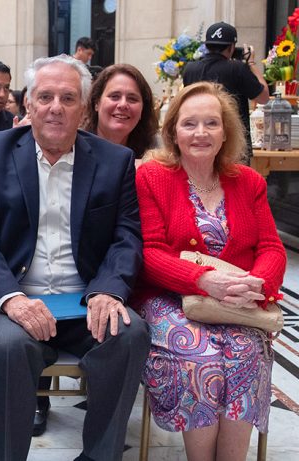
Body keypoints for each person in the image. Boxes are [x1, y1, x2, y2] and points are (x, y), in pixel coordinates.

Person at [0, 54, 149, 461]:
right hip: (18, 301)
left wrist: (108, 291)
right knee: (9, 347)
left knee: (130, 334)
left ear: (84, 107)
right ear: (27, 104)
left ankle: (99, 456)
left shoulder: (114, 161)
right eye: (45, 97)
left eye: (68, 97)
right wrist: (10, 298)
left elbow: (127, 236)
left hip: (85, 300)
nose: (55, 108)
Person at [134, 81, 286, 461]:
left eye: (211, 123)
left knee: (246, 350)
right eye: (189, 124)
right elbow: (148, 252)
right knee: (198, 354)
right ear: (173, 132)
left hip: (236, 299)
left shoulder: (247, 181)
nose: (200, 133)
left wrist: (257, 284)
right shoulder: (152, 177)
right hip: (170, 299)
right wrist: (202, 280)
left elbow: (270, 246)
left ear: (225, 132)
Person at [183, 22, 269, 158]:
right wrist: (251, 63)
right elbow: (263, 97)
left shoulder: (190, 69)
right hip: (233, 143)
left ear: (206, 45)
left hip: (200, 140)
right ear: (231, 47)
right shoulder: (237, 68)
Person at [83, 64, 159, 162]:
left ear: (143, 109)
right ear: (96, 103)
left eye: (132, 99)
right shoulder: (74, 149)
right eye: (114, 96)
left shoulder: (156, 153)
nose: (123, 105)